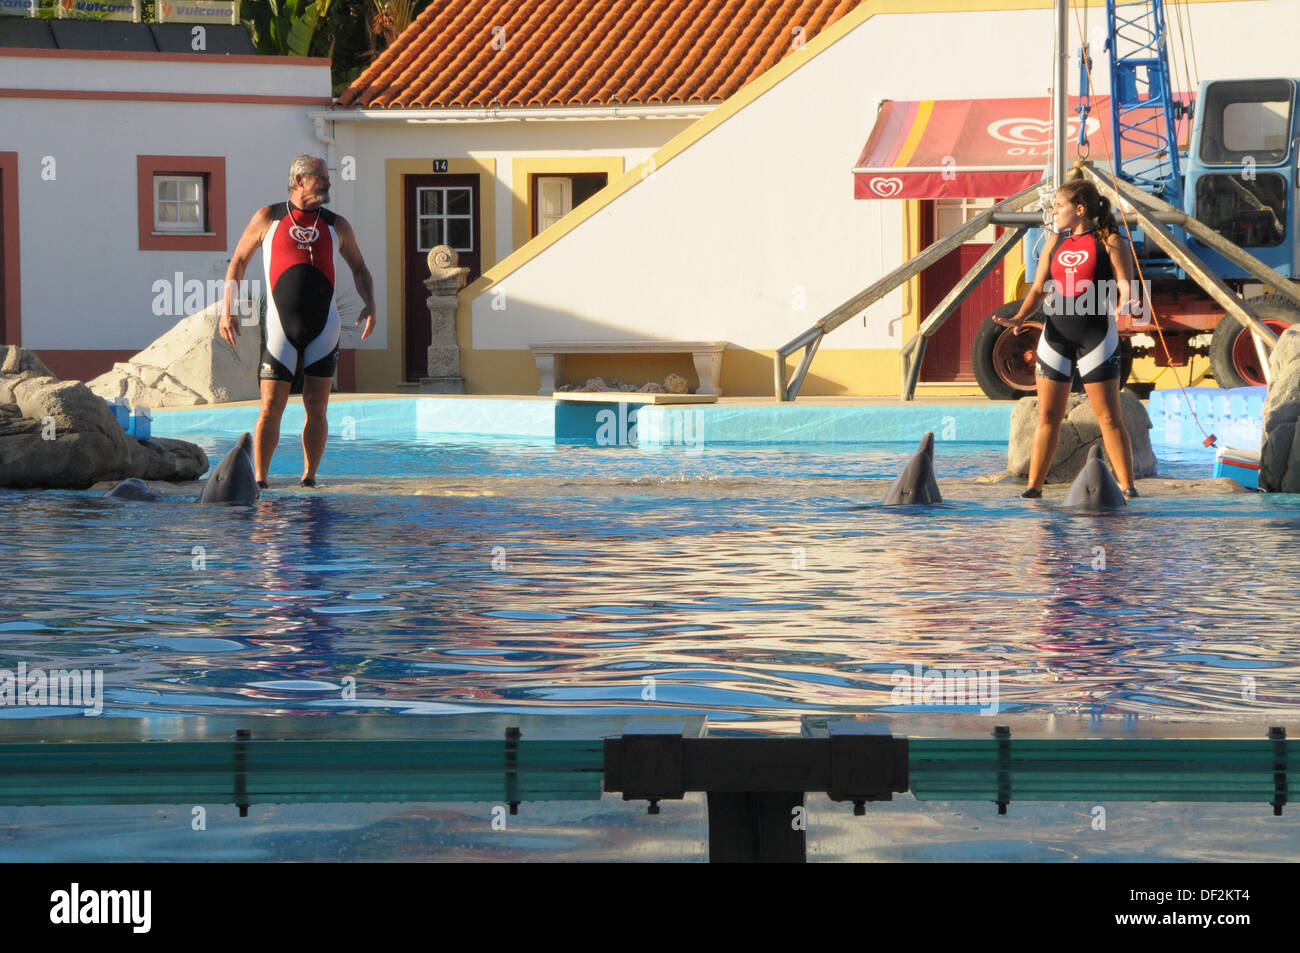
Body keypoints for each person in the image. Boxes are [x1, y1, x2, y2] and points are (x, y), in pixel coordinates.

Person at [219, 155, 375, 488]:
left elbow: (359, 268)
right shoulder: (268, 218)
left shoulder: (336, 225)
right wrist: (227, 308)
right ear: (299, 180)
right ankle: (259, 480)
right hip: (280, 330)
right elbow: (239, 262)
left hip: (324, 329)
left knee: (317, 407)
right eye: (321, 177)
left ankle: (309, 478)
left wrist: (370, 303)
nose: (327, 182)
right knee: (270, 407)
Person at [994, 177, 1140, 499]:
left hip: (1096, 337)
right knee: (1047, 416)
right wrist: (1020, 317)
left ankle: (1128, 488)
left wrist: (1126, 307)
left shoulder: (1110, 240)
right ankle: (1034, 488)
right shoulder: (1054, 242)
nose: (1054, 212)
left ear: (1080, 209)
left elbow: (1125, 283)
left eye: (1059, 206)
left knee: (1109, 417)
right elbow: (1037, 289)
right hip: (1055, 335)